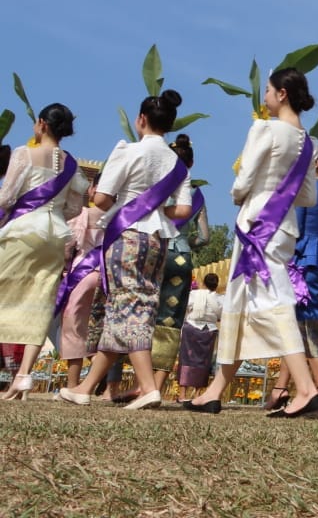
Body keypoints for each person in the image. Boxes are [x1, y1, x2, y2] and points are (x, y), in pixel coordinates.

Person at [184, 68, 318, 418]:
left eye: (268, 92)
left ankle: (306, 389)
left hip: (256, 222)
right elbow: (307, 197)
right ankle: (214, 391)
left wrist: (239, 194)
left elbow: (243, 179)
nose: (264, 98)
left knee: (275, 304)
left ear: (282, 94)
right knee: (240, 303)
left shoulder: (264, 129)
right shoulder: (309, 143)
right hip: (284, 225)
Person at [57, 92, 192, 410]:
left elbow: (102, 200)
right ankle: (85, 387)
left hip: (126, 237)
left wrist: (111, 201)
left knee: (128, 308)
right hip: (158, 240)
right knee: (131, 307)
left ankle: (147, 388)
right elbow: (184, 209)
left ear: (141, 119)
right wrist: (156, 212)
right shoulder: (177, 164)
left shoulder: (127, 151)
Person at [0, 104, 88, 400]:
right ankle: (24, 376)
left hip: (24, 231)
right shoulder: (71, 165)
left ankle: (18, 376)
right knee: (41, 301)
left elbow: (7, 196)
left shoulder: (24, 154)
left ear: (41, 124)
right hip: (55, 234)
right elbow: (75, 208)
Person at [270, 145, 318, 411]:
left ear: (315, 164)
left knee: (306, 322)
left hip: (301, 260)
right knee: (299, 323)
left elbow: (294, 229)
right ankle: (281, 388)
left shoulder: (307, 191)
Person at [148, 134, 209, 397]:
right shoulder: (196, 194)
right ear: (192, 164)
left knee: (146, 314)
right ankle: (158, 386)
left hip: (156, 252)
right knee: (170, 320)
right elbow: (205, 237)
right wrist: (186, 242)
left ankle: (141, 383)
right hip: (182, 257)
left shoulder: (159, 186)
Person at [57, 172, 104, 389]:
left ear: (92, 189)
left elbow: (68, 247)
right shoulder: (121, 216)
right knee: (103, 331)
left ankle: (73, 383)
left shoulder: (83, 215)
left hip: (82, 273)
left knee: (73, 328)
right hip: (107, 275)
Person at [178, 273, 222, 400]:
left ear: (203, 283)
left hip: (191, 328)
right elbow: (220, 313)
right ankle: (197, 394)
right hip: (208, 331)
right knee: (203, 362)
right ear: (216, 285)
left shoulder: (194, 294)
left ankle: (182, 394)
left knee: (186, 359)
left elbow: (186, 307)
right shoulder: (219, 298)